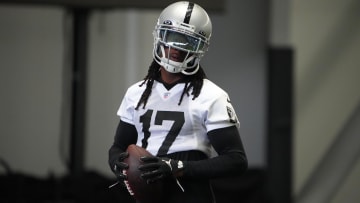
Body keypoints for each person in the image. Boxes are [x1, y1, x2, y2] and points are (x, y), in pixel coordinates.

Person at [108, 1, 248, 203]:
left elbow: (236, 160)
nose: (177, 48)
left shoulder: (211, 95)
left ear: (200, 48)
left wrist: (179, 167)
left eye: (188, 41)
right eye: (173, 37)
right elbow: (118, 147)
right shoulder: (136, 92)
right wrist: (117, 163)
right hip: (146, 193)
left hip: (190, 195)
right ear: (160, 36)